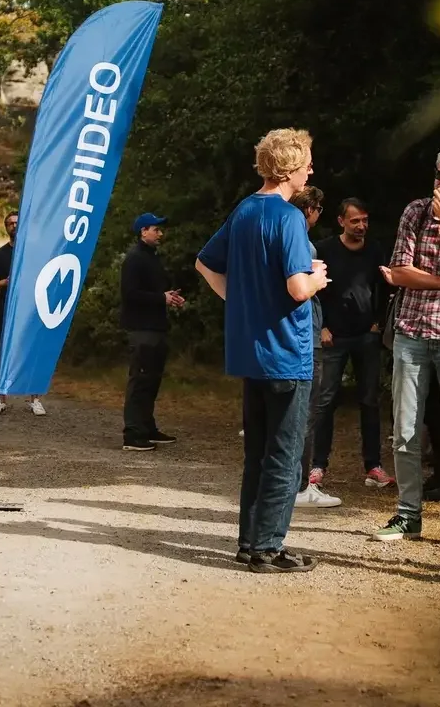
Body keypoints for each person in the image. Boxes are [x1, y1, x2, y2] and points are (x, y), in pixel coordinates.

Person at [196, 128, 328, 573]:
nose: (311, 169)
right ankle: (268, 548)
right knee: (285, 456)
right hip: (287, 351)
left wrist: (239, 300)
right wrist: (316, 278)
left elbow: (204, 263)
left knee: (257, 453)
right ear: (289, 169)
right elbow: (297, 288)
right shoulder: (288, 217)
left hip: (251, 352)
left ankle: (249, 543)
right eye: (306, 162)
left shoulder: (245, 209)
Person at [371, 147, 440, 551]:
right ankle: (408, 514)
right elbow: (400, 272)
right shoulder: (414, 211)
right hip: (411, 332)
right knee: (405, 431)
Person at [310, 198, 392, 490]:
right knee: (325, 401)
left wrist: (378, 322)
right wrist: (321, 326)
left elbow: (385, 287)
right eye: (355, 220)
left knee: (369, 401)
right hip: (334, 336)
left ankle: (373, 466)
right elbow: (314, 290)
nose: (361, 226)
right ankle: (318, 465)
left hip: (366, 335)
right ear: (341, 221)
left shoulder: (375, 250)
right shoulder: (324, 249)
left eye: (364, 220)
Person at [289, 187, 342, 510]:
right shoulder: (304, 245)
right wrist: (317, 278)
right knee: (305, 415)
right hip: (305, 336)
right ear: (311, 210)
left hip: (294, 336)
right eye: (319, 209)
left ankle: (288, 483)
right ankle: (298, 487)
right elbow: (301, 289)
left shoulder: (282, 237)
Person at [120, 212, 185, 451]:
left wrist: (170, 297)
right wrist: (160, 298)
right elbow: (130, 294)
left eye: (160, 229)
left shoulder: (153, 258)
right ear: (143, 231)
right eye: (155, 229)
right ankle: (132, 434)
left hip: (156, 327)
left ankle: (147, 427)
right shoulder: (134, 258)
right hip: (141, 329)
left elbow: (156, 292)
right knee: (140, 381)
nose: (160, 234)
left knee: (152, 381)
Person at [0, 207, 45, 416]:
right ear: (6, 227)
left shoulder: (32, 251)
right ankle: (1, 400)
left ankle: (35, 399)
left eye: (17, 223)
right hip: (6, 308)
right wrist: (6, 282)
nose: (14, 226)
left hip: (29, 308)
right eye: (10, 223)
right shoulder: (0, 254)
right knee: (4, 354)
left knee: (31, 352)